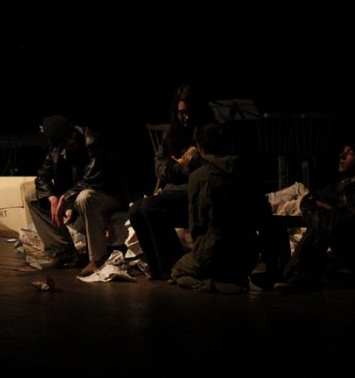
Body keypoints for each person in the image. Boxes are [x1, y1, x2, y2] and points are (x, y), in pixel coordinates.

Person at [274, 131, 355, 293]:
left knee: (322, 224)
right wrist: (320, 208)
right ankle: (291, 273)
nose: (341, 156)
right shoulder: (347, 184)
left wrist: (325, 212)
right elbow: (310, 199)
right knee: (321, 219)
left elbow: (334, 226)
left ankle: (294, 274)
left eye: (350, 153)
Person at [170, 121, 271, 293]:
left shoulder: (198, 177)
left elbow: (197, 223)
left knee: (177, 271)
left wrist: (201, 248)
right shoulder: (246, 170)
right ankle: (229, 277)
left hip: (214, 253)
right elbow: (262, 211)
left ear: (200, 147)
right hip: (248, 254)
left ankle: (212, 284)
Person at [128, 83, 215, 280]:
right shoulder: (173, 133)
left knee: (150, 206)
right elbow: (159, 163)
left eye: (189, 112)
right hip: (172, 189)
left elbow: (208, 166)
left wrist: (186, 169)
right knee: (135, 211)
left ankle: (173, 266)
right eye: (181, 113)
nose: (186, 117)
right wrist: (175, 169)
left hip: (194, 192)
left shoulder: (207, 131)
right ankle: (157, 268)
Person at [23, 115, 128, 277]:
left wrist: (65, 197)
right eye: (64, 142)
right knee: (32, 195)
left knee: (84, 197)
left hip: (108, 193)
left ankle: (98, 258)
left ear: (73, 130)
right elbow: (42, 176)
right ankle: (63, 251)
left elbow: (92, 179)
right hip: (76, 194)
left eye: (70, 137)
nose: (70, 142)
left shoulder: (92, 140)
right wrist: (51, 197)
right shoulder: (56, 149)